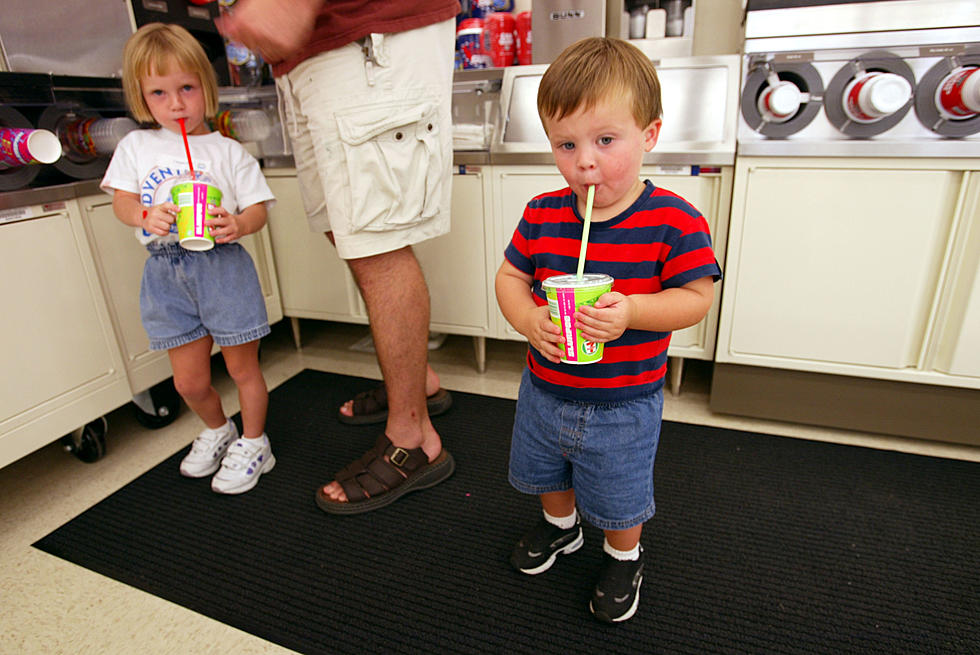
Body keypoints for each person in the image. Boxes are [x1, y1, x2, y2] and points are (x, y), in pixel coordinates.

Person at [495, 37, 722, 623]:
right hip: (543, 389)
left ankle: (625, 557)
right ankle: (560, 528)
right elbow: (509, 278)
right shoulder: (543, 212)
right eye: (565, 145)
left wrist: (633, 313)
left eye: (605, 140)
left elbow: (697, 298)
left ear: (649, 135)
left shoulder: (675, 219)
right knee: (546, 472)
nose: (585, 162)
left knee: (620, 497)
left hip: (624, 402)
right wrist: (526, 319)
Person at [216, 1, 458, 513]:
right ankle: (418, 386)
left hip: (366, 37)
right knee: (344, 228)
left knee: (377, 243)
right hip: (307, 57)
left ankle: (413, 441)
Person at [101, 23, 277, 494]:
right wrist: (144, 212)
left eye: (186, 88)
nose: (175, 104)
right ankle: (220, 429)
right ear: (142, 97)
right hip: (164, 273)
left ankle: (256, 442)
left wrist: (238, 224)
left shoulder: (228, 151)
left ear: (206, 87)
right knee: (188, 383)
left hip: (223, 269)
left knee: (244, 370)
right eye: (159, 93)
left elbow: (258, 208)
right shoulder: (136, 147)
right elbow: (121, 202)